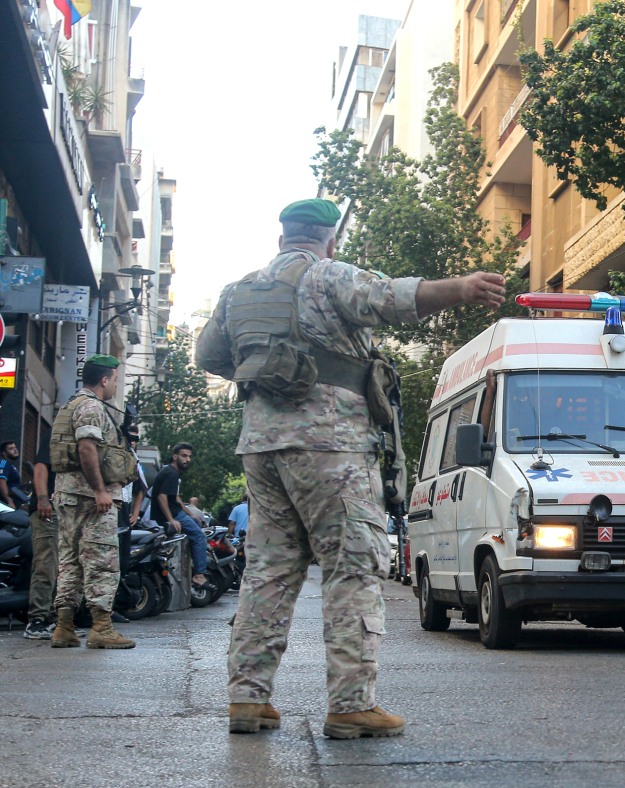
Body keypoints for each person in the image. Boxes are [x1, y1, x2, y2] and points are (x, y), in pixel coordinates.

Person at [195, 198, 506, 738]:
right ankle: (350, 704)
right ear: (328, 239)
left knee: (268, 571)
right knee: (353, 566)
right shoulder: (328, 277)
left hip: (262, 447)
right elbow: (396, 299)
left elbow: (209, 357)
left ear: (281, 238)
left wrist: (267, 369)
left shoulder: (238, 292)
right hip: (330, 447)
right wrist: (462, 287)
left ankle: (248, 698)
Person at [47, 354, 136, 650]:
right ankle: (101, 627)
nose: (114, 386)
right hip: (90, 496)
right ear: (105, 379)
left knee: (70, 561)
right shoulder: (91, 406)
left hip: (68, 494)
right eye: (115, 380)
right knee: (102, 561)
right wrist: (100, 490)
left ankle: (64, 626)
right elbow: (87, 448)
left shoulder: (72, 404)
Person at [150, 443, 210, 588]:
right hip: (172, 515)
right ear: (175, 456)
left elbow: (176, 498)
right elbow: (161, 497)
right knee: (199, 536)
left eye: (189, 456)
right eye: (184, 456)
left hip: (177, 513)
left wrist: (191, 514)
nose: (188, 459)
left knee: (196, 525)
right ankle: (199, 575)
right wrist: (171, 519)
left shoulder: (173, 473)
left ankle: (191, 564)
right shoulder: (170, 473)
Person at [22, 431, 59, 640]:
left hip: (63, 509)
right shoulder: (56, 433)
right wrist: (43, 499)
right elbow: (41, 466)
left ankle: (52, 620)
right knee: (46, 563)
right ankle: (36, 621)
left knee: (60, 566)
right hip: (47, 509)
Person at [0, 440, 26, 509]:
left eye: (15, 447)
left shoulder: (11, 465)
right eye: (11, 449)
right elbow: (1, 482)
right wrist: (8, 499)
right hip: (6, 504)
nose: (15, 450)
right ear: (4, 453)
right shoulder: (4, 463)